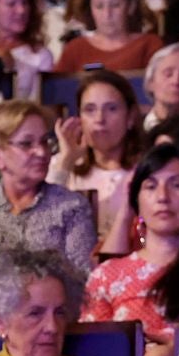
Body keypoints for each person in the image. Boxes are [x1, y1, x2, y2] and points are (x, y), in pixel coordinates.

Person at [82, 142, 179, 347]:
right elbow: (96, 352)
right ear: (136, 201)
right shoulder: (106, 276)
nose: (163, 197)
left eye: (177, 185)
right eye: (151, 186)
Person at [0, 99, 96, 274]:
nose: (42, 152)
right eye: (26, 144)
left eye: (44, 141)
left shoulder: (70, 207)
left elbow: (82, 279)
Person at [50, 71, 142, 245]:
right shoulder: (62, 165)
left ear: (130, 117)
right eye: (90, 110)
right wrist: (66, 162)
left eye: (111, 109)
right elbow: (42, 225)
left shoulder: (146, 170)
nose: (100, 119)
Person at [55, 0, 162, 76]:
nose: (107, 14)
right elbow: (56, 88)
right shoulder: (75, 49)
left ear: (131, 6)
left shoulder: (149, 45)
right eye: (99, 6)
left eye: (115, 5)